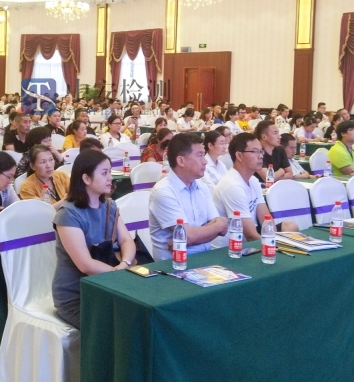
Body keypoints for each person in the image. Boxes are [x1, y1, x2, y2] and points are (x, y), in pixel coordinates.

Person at [53, 149, 136, 329]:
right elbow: (85, 265)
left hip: (107, 285)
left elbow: (126, 241)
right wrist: (118, 273)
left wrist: (125, 264)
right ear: (86, 178)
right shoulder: (68, 214)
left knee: (138, 314)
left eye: (110, 172)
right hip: (76, 295)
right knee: (119, 325)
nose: (110, 178)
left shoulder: (109, 206)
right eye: (104, 173)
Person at [148, 133, 228, 261]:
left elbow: (222, 228)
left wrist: (219, 225)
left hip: (206, 259)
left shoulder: (201, 186)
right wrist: (216, 227)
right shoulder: (163, 191)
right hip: (174, 264)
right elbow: (188, 236)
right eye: (199, 155)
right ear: (181, 161)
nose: (205, 161)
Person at [212, 133, 299, 244]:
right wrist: (277, 246)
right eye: (255, 151)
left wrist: (275, 239)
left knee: (290, 226)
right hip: (231, 247)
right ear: (239, 156)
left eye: (261, 151)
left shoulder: (253, 180)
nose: (261, 156)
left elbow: (266, 219)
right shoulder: (233, 186)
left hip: (246, 242)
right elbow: (250, 236)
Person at [19, 145, 70, 209]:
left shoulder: (61, 175)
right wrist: (65, 200)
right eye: (43, 162)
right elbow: (43, 211)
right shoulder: (26, 186)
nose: (49, 165)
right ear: (32, 166)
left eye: (51, 160)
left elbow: (75, 195)